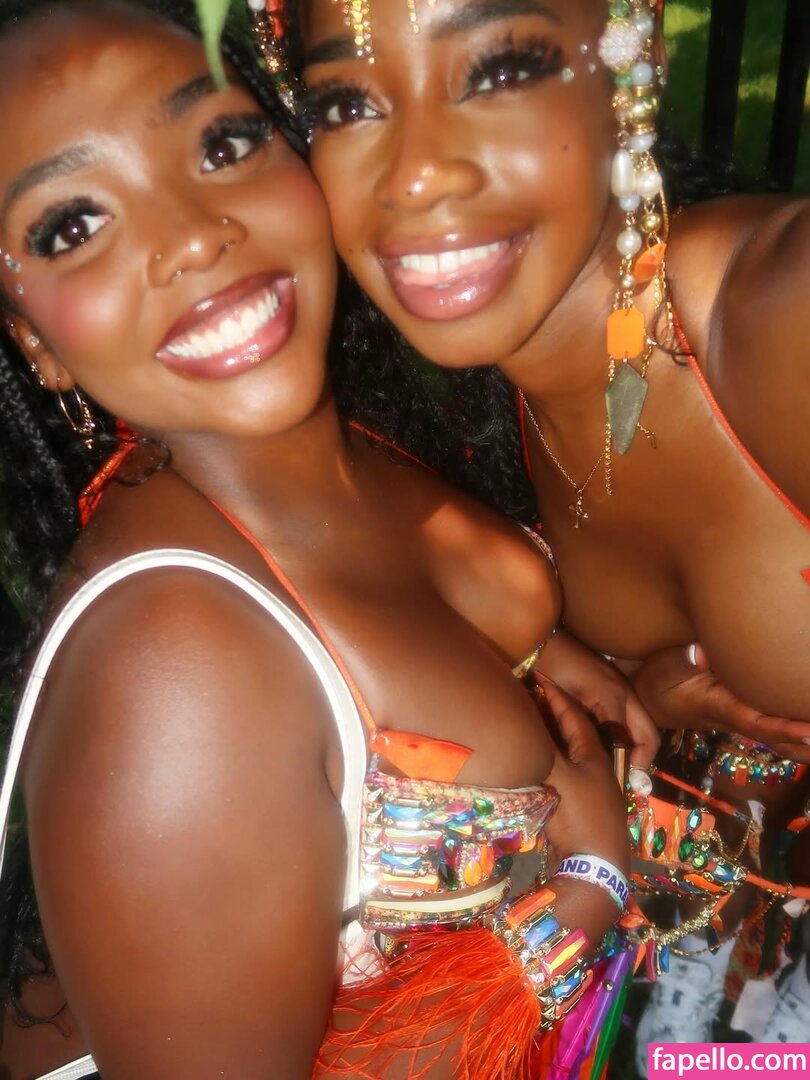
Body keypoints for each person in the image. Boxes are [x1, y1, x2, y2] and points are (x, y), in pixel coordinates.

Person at [0, 1, 632, 1077]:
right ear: (37, 347)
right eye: (72, 226)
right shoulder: (173, 665)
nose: (195, 234)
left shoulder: (346, 449)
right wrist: (580, 897)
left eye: (222, 144)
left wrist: (558, 664)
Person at [290, 0, 810, 1055]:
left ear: (634, 57)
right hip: (722, 993)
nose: (413, 175)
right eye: (348, 102)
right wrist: (659, 690)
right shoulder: (470, 425)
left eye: (496, 70)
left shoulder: (777, 316)